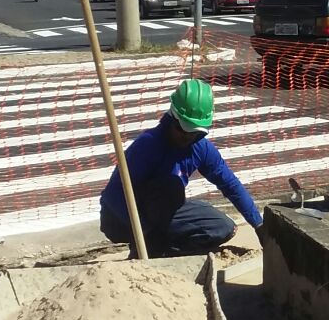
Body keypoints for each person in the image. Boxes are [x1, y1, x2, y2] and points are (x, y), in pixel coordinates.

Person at [99, 79, 262, 258]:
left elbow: (230, 184)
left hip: (165, 210)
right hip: (121, 216)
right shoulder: (148, 145)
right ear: (172, 118)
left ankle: (166, 251)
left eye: (194, 132)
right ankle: (147, 248)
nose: (187, 137)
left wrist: (259, 225)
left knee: (222, 227)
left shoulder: (200, 147)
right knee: (169, 187)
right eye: (181, 129)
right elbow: (112, 195)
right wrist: (145, 229)